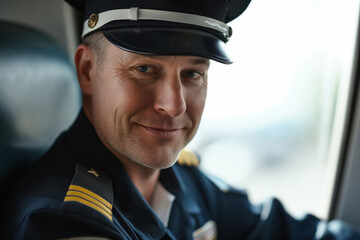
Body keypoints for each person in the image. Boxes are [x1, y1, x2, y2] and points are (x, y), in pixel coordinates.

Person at [2, 0, 360, 239]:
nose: (173, 106)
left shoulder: (184, 181)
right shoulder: (63, 221)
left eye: (192, 74)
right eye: (144, 69)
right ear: (87, 70)